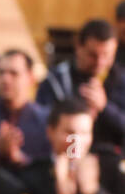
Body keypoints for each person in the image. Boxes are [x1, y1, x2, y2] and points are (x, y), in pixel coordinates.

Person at [36, 18, 125, 151]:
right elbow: (42, 124)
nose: (100, 63)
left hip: (111, 158)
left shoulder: (121, 81)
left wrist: (105, 107)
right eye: (93, 55)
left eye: (107, 55)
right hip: (68, 153)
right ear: (78, 46)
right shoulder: (55, 80)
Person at [0, 49, 50, 169]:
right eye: (0, 73)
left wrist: (22, 159)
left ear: (31, 77)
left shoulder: (46, 120)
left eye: (14, 73)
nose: (5, 79)